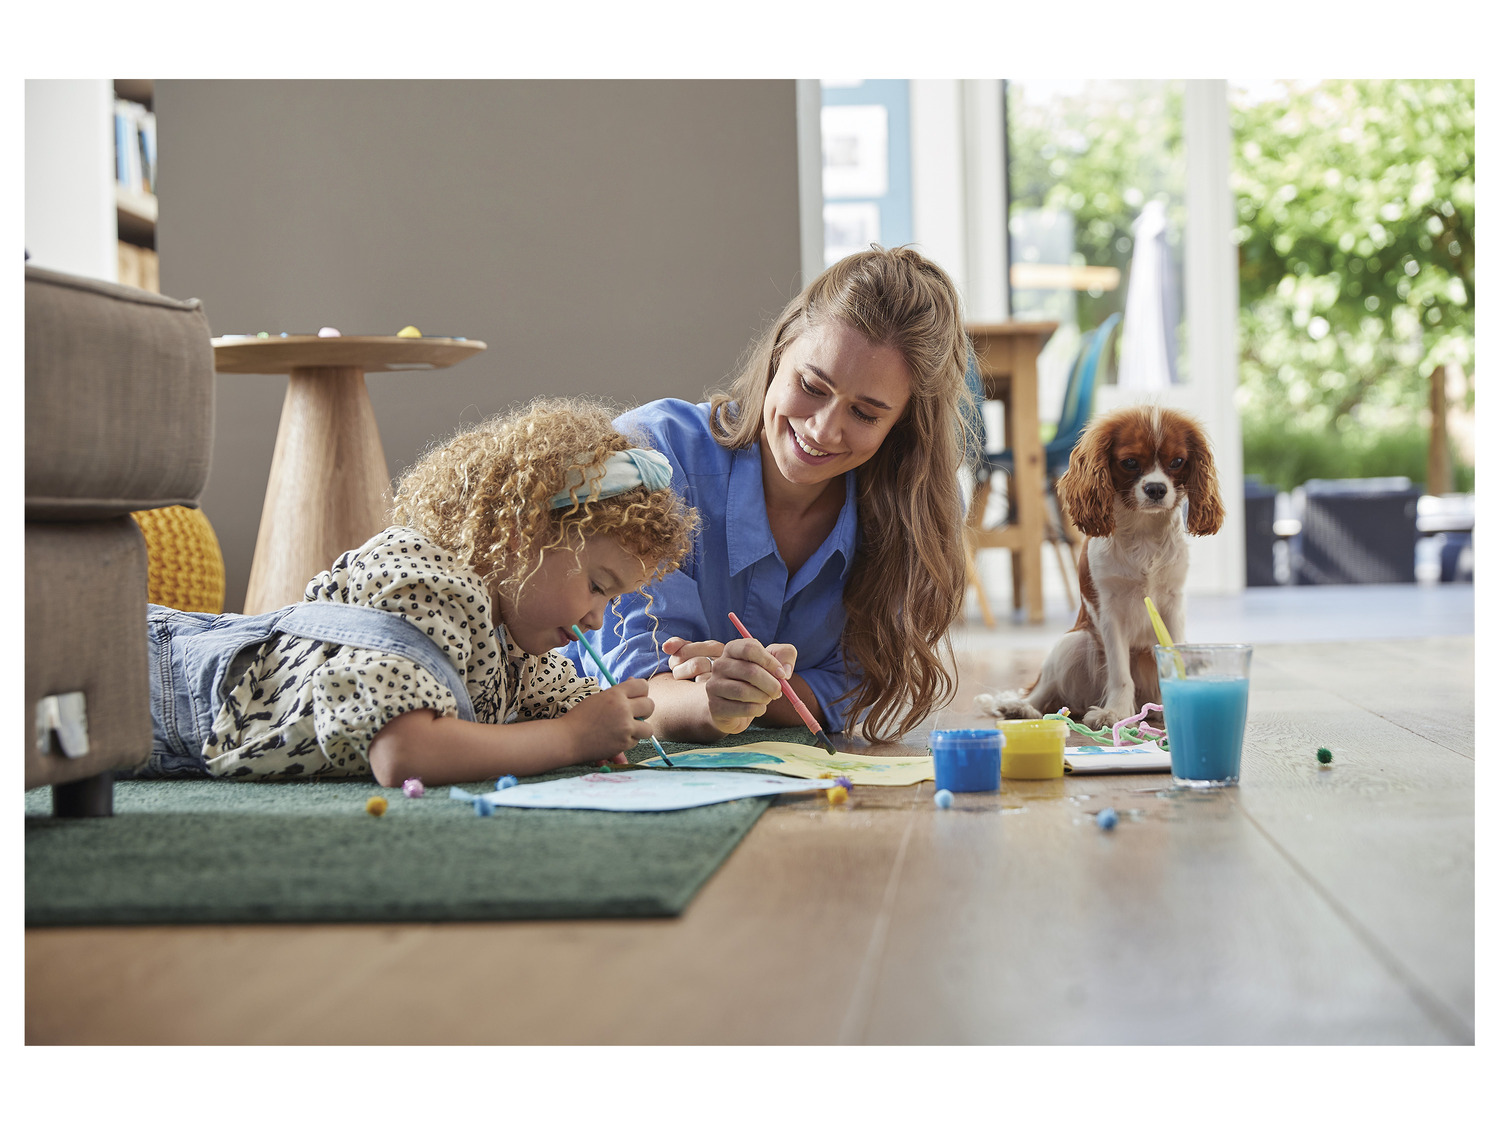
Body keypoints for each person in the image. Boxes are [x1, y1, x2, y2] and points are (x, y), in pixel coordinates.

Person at [140, 398, 698, 787]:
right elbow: (403, 753)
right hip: (143, 682)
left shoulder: (512, 638)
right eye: (597, 587)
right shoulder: (425, 581)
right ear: (522, 535)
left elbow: (580, 709)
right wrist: (573, 738)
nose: (598, 619)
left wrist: (641, 712)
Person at [566, 245, 973, 744]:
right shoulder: (653, 455)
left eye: (865, 414)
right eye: (812, 386)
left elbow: (849, 687)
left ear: (901, 426)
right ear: (781, 350)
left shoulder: (919, 512)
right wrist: (721, 699)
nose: (822, 430)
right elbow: (632, 691)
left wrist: (746, 690)